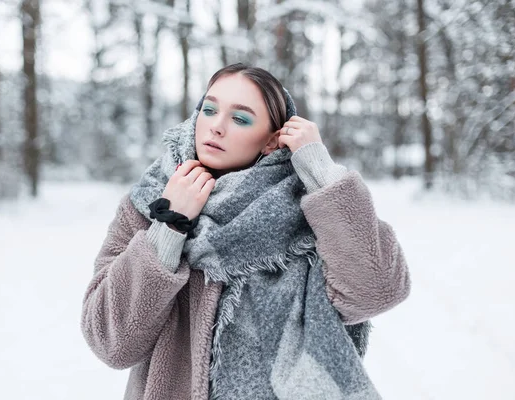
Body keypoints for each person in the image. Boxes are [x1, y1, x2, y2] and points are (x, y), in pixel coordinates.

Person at [80, 63, 411, 400]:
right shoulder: (148, 203)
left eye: (240, 118)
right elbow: (111, 341)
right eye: (209, 110)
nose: (216, 127)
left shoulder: (311, 211)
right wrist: (169, 225)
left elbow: (378, 289)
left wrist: (322, 173)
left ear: (271, 141)